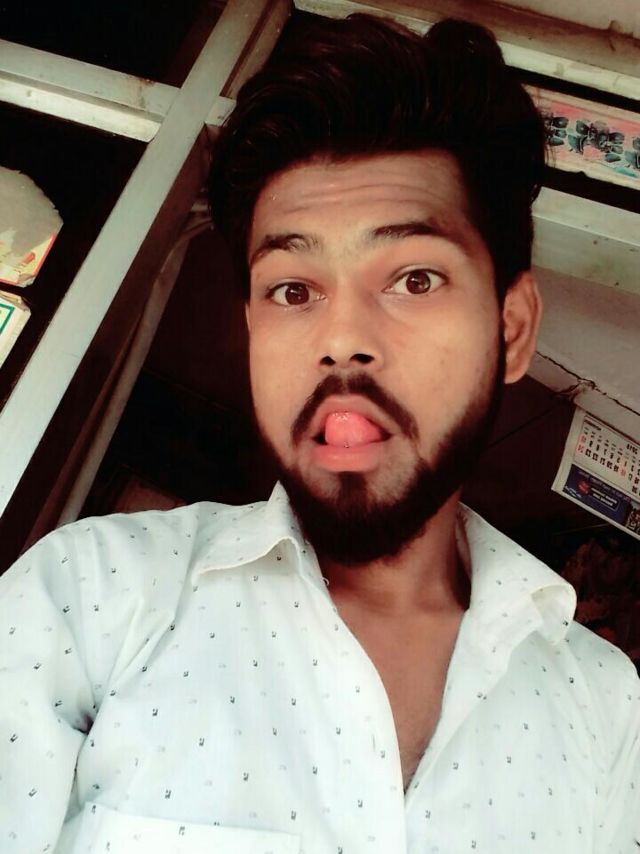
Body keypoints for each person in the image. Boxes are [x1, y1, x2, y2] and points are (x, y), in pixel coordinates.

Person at [1, 13, 638, 854]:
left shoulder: (606, 709)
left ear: (512, 330)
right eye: (293, 289)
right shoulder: (88, 599)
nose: (341, 339)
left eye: (414, 278)